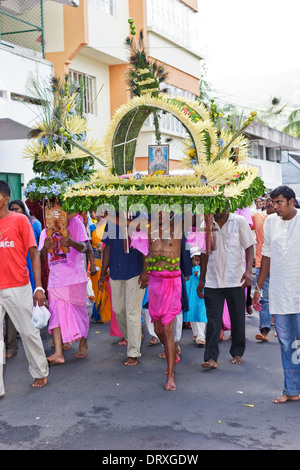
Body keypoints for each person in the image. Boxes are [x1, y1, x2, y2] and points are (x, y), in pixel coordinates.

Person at [0, 180, 49, 397]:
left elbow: (34, 253)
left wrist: (38, 287)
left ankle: (40, 371)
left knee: (28, 332)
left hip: (18, 286)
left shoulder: (20, 220)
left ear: (5, 198)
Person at [252, 185, 300, 404]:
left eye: (278, 202)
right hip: (280, 293)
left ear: (291, 201)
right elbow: (266, 256)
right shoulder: (270, 222)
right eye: (272, 202)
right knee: (286, 343)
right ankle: (291, 390)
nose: (274, 206)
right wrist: (258, 288)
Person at [197, 209, 255, 369]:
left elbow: (250, 246)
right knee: (213, 321)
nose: (215, 209)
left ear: (227, 206)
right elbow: (204, 253)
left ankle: (237, 352)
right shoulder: (206, 224)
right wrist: (202, 280)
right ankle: (210, 358)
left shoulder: (239, 221)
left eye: (219, 205)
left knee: (237, 318)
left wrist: (248, 271)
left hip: (235, 279)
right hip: (212, 281)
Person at [39, 211, 90, 364]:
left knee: (80, 312)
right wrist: (44, 249)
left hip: (75, 278)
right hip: (56, 279)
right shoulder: (45, 230)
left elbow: (86, 248)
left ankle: (83, 341)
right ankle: (58, 353)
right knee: (55, 313)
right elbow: (41, 258)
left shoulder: (75, 223)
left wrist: (72, 243)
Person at [99, 213, 148, 367]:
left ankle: (133, 352)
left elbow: (146, 246)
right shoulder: (112, 220)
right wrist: (102, 273)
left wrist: (145, 272)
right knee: (118, 310)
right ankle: (133, 336)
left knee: (132, 313)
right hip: (116, 271)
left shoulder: (140, 217)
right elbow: (107, 248)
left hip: (135, 270)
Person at [146, 211, 183, 391]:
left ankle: (171, 374)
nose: (160, 214)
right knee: (157, 329)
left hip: (172, 281)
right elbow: (124, 223)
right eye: (156, 211)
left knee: (167, 327)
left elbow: (200, 215)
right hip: (155, 282)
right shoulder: (148, 228)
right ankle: (172, 349)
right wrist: (108, 215)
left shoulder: (179, 227)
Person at [251, 192, 275, 342]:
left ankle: (281, 329)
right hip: (261, 263)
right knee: (264, 299)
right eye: (268, 200)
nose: (270, 203)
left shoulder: (283, 219)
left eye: (273, 201)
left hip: (280, 266)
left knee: (279, 297)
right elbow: (246, 225)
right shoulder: (257, 217)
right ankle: (264, 331)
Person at [183, 248, 207, 345]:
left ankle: (201, 336)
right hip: (190, 296)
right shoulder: (188, 270)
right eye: (193, 259)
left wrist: (200, 275)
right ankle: (196, 333)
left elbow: (206, 279)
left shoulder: (203, 270)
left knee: (201, 314)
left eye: (197, 260)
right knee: (192, 314)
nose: (195, 262)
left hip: (200, 296)